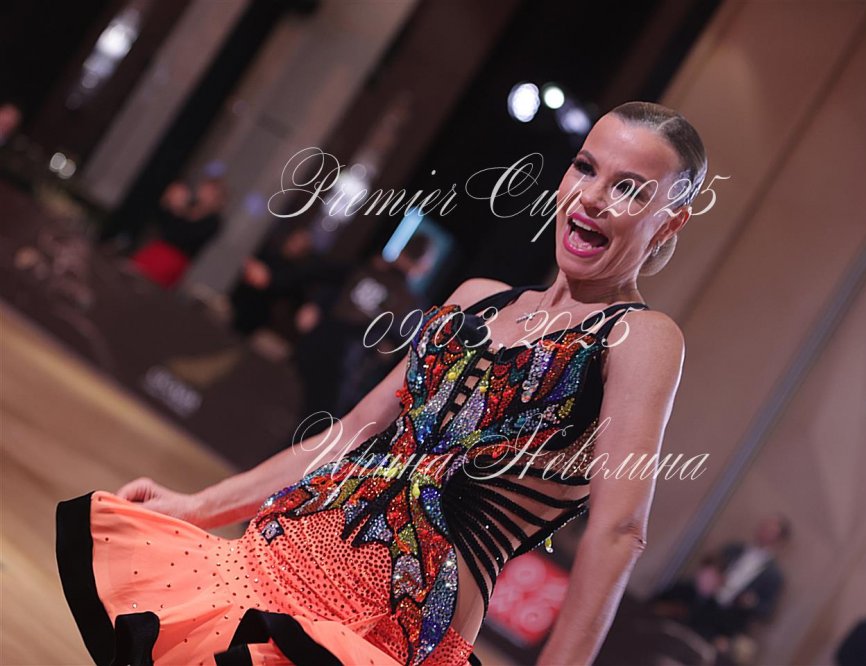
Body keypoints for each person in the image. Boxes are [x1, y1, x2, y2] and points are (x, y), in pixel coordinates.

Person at [54, 100, 703, 665]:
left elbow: (619, 531)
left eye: (630, 189)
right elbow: (354, 431)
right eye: (585, 167)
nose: (592, 197)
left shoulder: (641, 337)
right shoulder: (475, 297)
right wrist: (197, 507)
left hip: (386, 631)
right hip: (273, 563)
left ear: (670, 221)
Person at [294, 235, 433, 434]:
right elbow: (397, 344)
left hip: (319, 345)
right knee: (319, 425)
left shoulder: (370, 269)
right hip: (345, 364)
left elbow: (326, 278)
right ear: (422, 267)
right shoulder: (410, 301)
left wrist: (316, 304)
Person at [130, 177, 226, 289]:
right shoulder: (190, 205)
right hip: (159, 248)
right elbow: (163, 224)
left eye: (210, 192)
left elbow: (186, 236)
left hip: (175, 259)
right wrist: (168, 203)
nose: (204, 193)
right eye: (204, 188)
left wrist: (178, 210)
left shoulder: (213, 221)